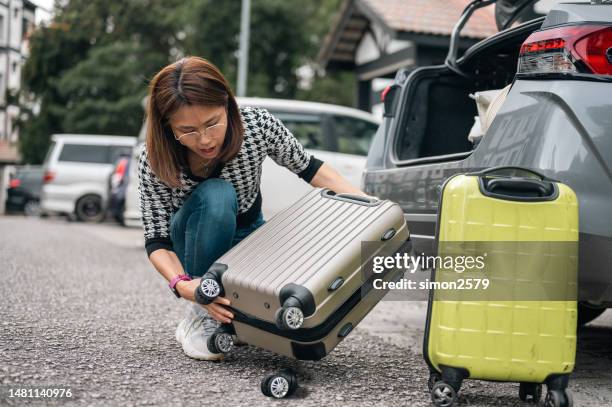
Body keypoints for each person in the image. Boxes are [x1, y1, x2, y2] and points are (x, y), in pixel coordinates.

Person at [138, 56, 364, 361]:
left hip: (250, 230)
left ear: (228, 107)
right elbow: (157, 241)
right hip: (195, 235)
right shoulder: (154, 159)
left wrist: (372, 208)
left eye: (212, 123)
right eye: (188, 130)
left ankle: (235, 315)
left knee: (291, 297)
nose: (204, 140)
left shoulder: (257, 125)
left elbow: (310, 169)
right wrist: (184, 285)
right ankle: (199, 315)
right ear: (169, 127)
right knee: (217, 195)